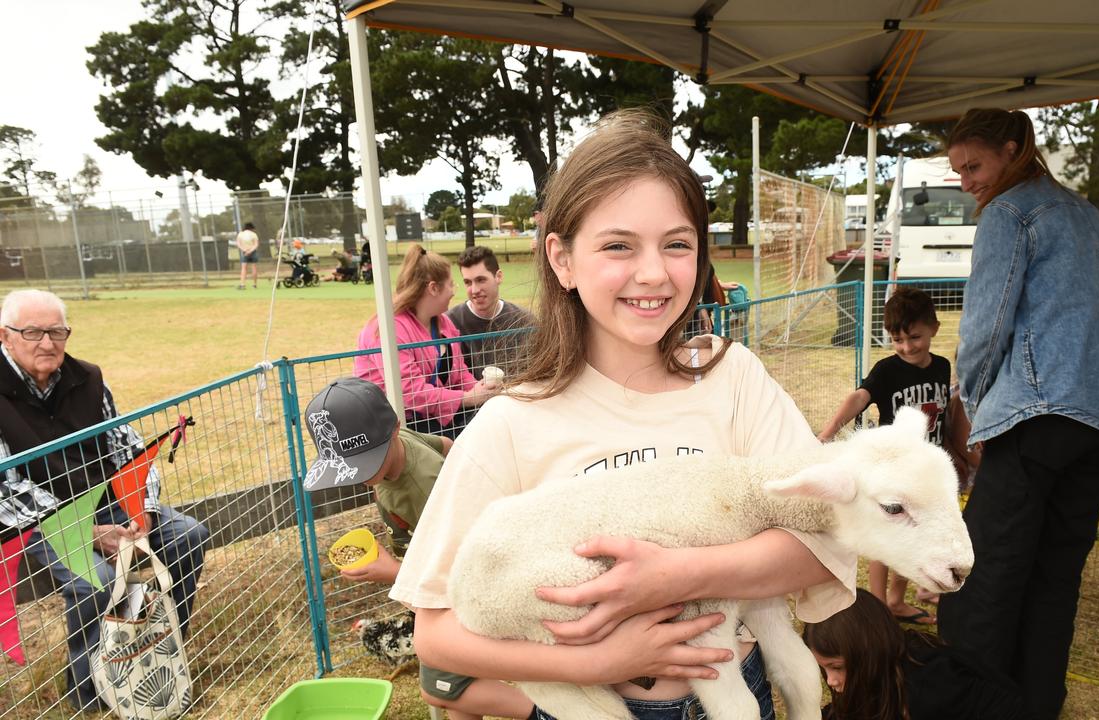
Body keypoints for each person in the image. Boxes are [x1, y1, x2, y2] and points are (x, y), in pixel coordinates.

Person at [389, 110, 856, 720]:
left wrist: (679, 575)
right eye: (617, 245)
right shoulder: (513, 423)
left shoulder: (734, 379)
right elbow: (436, 629)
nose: (654, 273)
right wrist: (592, 664)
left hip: (738, 692)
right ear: (561, 259)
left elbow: (825, 536)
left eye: (677, 244)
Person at [934, 108, 1099, 720]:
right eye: (958, 171)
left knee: (990, 575)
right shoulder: (1083, 211)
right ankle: (1036, 703)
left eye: (974, 165)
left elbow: (986, 324)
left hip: (1039, 415)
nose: (968, 180)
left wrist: (967, 403)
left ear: (1011, 149)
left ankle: (975, 707)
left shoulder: (1009, 211)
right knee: (1056, 574)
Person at [0, 289, 209, 711]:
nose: (48, 343)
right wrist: (89, 533)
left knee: (188, 536)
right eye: (33, 332)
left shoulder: (88, 378)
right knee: (94, 580)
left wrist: (141, 514)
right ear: (5, 336)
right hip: (34, 521)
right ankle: (92, 694)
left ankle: (153, 657)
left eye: (57, 331)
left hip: (105, 504)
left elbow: (129, 452)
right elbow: (7, 490)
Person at [300, 377, 535, 720]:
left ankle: (544, 714)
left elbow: (457, 570)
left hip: (456, 589)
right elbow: (443, 444)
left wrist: (393, 573)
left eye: (367, 462)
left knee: (444, 688)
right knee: (462, 675)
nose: (361, 477)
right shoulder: (403, 443)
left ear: (393, 429)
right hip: (441, 578)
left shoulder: (424, 487)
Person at [817, 287, 949, 624]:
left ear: (933, 327)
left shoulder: (944, 367)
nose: (906, 347)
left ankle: (896, 601)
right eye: (897, 340)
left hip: (924, 472)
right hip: (894, 470)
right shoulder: (887, 369)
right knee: (887, 540)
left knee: (913, 537)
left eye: (914, 337)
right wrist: (829, 430)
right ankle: (877, 607)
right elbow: (861, 396)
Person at [804, 590, 1025, 720]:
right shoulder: (883, 669)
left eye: (837, 667)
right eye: (824, 668)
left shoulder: (924, 688)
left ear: (868, 652)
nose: (830, 681)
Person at [354, 245, 496, 439]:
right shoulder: (387, 329)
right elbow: (410, 392)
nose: (455, 292)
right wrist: (468, 398)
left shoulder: (443, 322)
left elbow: (459, 375)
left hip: (432, 422)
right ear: (433, 288)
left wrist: (484, 390)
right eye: (451, 284)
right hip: (393, 429)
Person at [444, 245, 534, 375]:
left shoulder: (525, 321)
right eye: (468, 282)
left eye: (481, 280)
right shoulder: (449, 323)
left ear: (499, 277)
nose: (474, 290)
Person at [236, 221, 259, 289]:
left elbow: (238, 244)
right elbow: (256, 244)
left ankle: (243, 284)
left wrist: (245, 250)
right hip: (253, 252)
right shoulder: (254, 234)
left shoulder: (240, 234)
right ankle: (254, 284)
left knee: (244, 268)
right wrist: (250, 251)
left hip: (244, 252)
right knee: (254, 267)